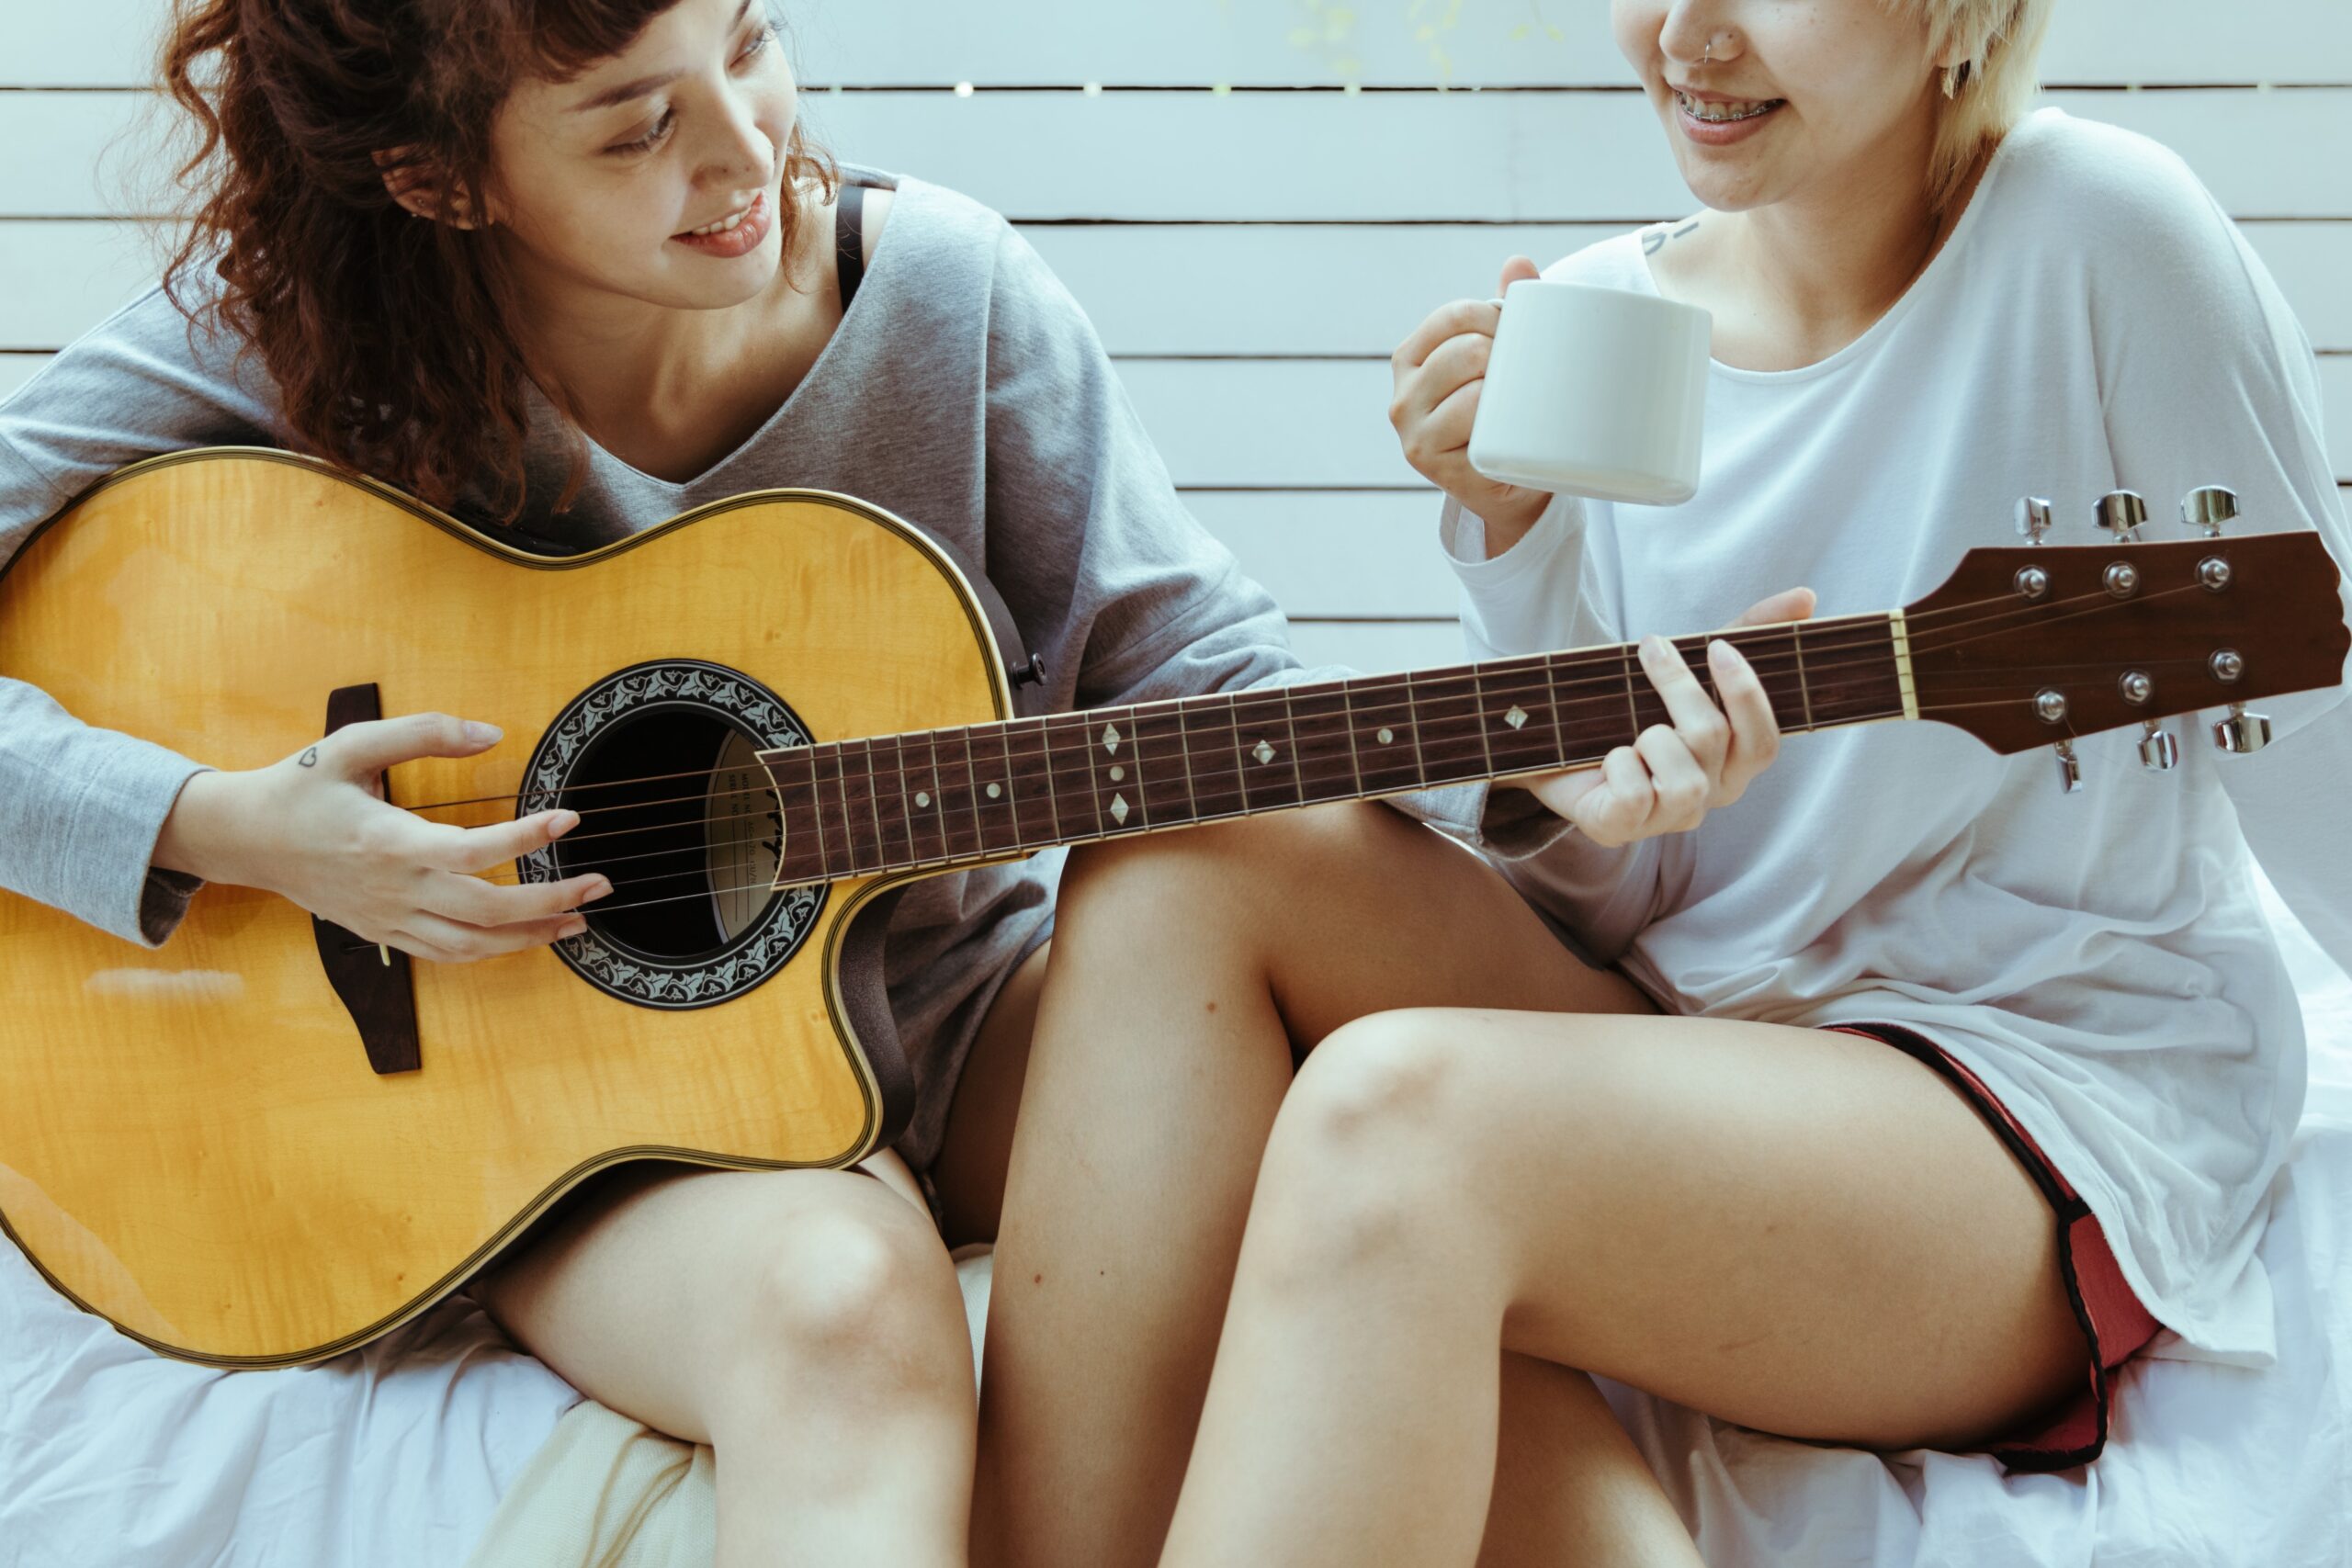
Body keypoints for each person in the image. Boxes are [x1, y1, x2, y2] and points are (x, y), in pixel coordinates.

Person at [3, 0, 1731, 1559]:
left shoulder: (948, 301)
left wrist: (1532, 784)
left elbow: (1218, 701)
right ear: (442, 181)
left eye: (747, 46)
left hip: (960, 1032)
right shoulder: (275, 342)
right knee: (844, 1311)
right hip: (555, 1118)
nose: (744, 153)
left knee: (1285, 1034)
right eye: (632, 127)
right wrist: (234, 829)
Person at [1130, 0, 2352, 1562]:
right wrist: (1518, 552)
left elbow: (2312, 730)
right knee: (1174, 866)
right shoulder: (1591, 320)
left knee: (1398, 1119)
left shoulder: (2098, 235)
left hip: (2025, 1104)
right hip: (1703, 1052)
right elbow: (1618, 898)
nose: (1688, 33)